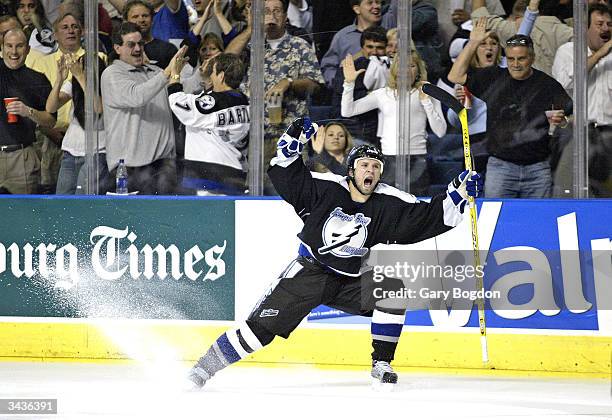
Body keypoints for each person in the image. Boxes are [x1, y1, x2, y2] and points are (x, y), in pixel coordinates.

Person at [186, 117, 483, 389]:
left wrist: (457, 193)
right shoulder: (326, 188)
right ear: (351, 169)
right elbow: (289, 176)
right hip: (308, 273)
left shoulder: (386, 202)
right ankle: (202, 369)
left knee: (392, 292)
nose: (371, 170)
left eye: (376, 167)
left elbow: (426, 216)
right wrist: (290, 148)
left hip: (348, 281)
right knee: (258, 332)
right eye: (365, 165)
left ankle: (381, 363)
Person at [448, 21, 572, 198]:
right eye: (511, 58)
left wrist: (561, 122)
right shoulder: (493, 77)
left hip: (538, 169)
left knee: (537, 224)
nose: (515, 64)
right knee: (497, 221)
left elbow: (568, 117)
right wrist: (474, 42)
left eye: (521, 58)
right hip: (501, 167)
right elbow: (455, 76)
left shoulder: (547, 84)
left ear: (532, 58)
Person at [226, 0, 323, 194]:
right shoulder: (248, 46)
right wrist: (251, 29)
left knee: (293, 195)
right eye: (266, 11)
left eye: (277, 11)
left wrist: (289, 82)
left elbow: (316, 85)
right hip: (253, 137)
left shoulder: (299, 46)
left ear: (285, 17)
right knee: (253, 198)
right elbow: (224, 63)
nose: (272, 15)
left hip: (289, 136)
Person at [341, 50, 447, 196]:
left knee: (416, 206)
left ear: (418, 70)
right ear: (395, 70)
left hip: (417, 159)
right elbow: (347, 111)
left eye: (411, 66)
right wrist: (349, 83)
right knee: (389, 206)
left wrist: (426, 102)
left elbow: (440, 131)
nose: (406, 70)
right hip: (389, 159)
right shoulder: (383, 94)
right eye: (402, 66)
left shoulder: (427, 93)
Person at [101, 22, 183, 194]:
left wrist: (202, 76)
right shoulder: (112, 74)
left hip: (164, 164)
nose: (138, 49)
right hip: (130, 168)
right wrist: (167, 73)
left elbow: (180, 96)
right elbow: (136, 97)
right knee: (135, 220)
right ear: (117, 48)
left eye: (140, 44)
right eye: (131, 45)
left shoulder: (156, 72)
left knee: (164, 218)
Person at [552, 4, 612, 197]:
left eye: (610, 24)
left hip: (609, 133)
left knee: (605, 195)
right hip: (577, 132)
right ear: (584, 27)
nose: (605, 28)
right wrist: (600, 54)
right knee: (569, 192)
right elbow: (564, 85)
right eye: (600, 24)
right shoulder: (568, 51)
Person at [168, 53, 250, 195]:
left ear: (221, 76)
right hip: (234, 171)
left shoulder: (216, 103)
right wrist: (207, 79)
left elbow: (178, 102)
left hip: (209, 174)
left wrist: (175, 73)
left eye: (213, 72)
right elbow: (210, 108)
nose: (211, 74)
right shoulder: (243, 101)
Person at [0, 28, 55, 194]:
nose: (14, 52)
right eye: (9, 46)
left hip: (21, 157)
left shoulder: (38, 80)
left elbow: (50, 121)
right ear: (2, 49)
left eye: (19, 46)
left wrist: (29, 111)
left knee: (22, 216)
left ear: (28, 49)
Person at [46, 54, 109, 194]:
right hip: (71, 152)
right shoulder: (74, 83)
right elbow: (51, 107)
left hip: (96, 153)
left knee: (83, 203)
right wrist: (59, 80)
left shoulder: (107, 84)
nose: (79, 70)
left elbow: (98, 108)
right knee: (62, 202)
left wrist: (81, 76)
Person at [330, 25, 387, 148]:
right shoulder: (348, 69)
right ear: (362, 48)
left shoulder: (391, 70)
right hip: (354, 131)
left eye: (380, 48)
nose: (374, 52)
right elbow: (340, 108)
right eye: (369, 47)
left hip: (383, 132)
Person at [124, 0, 178, 70]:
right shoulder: (120, 52)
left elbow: (178, 76)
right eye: (135, 17)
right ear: (125, 22)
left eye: (145, 16)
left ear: (152, 20)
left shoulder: (168, 49)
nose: (141, 20)